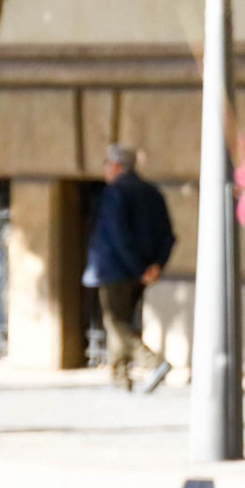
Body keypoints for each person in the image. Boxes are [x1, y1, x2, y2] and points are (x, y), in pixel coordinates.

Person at [84, 144, 175, 392]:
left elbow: (119, 236)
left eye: (106, 164)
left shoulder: (115, 193)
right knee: (122, 321)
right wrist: (156, 265)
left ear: (116, 166)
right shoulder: (152, 193)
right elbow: (168, 235)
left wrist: (138, 268)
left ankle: (154, 363)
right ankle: (120, 376)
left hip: (116, 270)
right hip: (141, 271)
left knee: (116, 322)